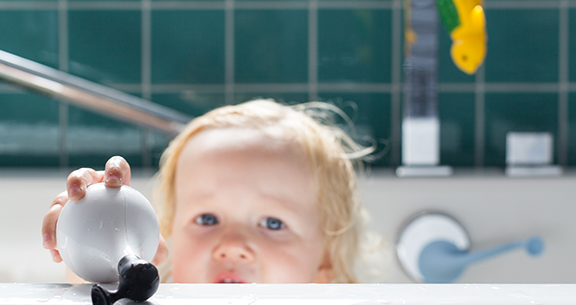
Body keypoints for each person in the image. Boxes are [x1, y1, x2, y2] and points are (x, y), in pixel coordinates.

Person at [42, 99, 374, 284]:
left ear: (325, 262)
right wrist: (93, 232)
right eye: (207, 218)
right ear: (167, 236)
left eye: (273, 223)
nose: (231, 247)